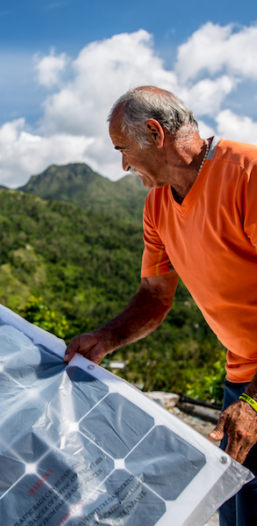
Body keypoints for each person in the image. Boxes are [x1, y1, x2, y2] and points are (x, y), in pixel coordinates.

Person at [64, 86, 257, 526]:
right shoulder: (157, 207)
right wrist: (106, 338)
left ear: (154, 133)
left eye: (123, 149)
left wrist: (255, 404)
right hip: (241, 380)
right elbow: (154, 295)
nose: (123, 165)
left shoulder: (248, 174)